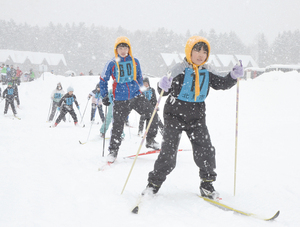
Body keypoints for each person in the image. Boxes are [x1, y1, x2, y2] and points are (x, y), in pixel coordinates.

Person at [143, 36, 244, 200]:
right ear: (189, 51)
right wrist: (162, 85)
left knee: (206, 150)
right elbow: (164, 89)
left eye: (205, 51)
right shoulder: (179, 69)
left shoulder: (207, 70)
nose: (201, 55)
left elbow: (222, 83)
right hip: (174, 114)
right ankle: (153, 185)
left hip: (197, 116)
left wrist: (232, 76)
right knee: (168, 155)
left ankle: (207, 184)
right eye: (197, 50)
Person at [100, 36, 159, 163]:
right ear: (116, 49)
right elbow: (103, 79)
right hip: (120, 99)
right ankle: (113, 151)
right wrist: (104, 95)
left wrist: (143, 93)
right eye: (120, 48)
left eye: (125, 47)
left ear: (129, 48)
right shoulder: (112, 63)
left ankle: (150, 140)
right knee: (118, 126)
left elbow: (139, 77)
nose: (123, 50)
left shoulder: (135, 61)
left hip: (136, 96)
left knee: (153, 114)